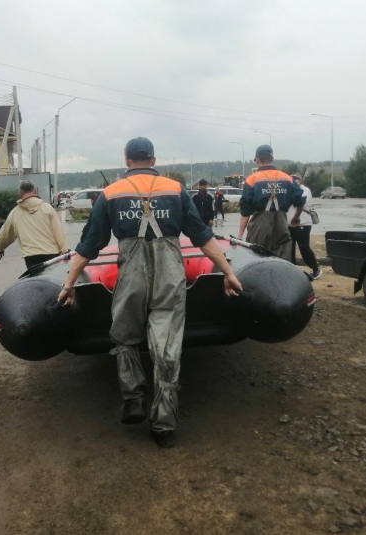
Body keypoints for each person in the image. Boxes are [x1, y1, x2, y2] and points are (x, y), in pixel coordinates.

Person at [57, 137, 242, 448]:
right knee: (167, 349)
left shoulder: (111, 193)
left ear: (127, 160)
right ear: (153, 159)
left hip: (130, 276)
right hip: (170, 276)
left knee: (124, 336)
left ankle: (133, 398)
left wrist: (68, 284)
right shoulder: (175, 190)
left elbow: (88, 246)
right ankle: (163, 425)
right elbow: (202, 237)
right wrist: (228, 272)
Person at [238, 145, 305, 260]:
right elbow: (300, 200)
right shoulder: (287, 178)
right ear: (272, 159)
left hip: (259, 225)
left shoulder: (252, 179)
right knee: (282, 258)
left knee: (256, 256)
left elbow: (245, 211)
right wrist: (296, 217)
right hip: (281, 223)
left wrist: (240, 235)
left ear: (257, 159)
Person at [0, 180, 68, 268]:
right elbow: (58, 232)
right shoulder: (47, 208)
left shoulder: (15, 213)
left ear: (20, 194)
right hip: (51, 254)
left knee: (36, 280)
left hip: (31, 256)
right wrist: (65, 251)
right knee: (50, 281)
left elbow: (6, 234)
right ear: (36, 191)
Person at [289, 174, 321, 279]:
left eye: (295, 179)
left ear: (300, 180)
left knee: (304, 247)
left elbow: (302, 201)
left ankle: (316, 269)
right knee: (289, 249)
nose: (293, 181)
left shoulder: (305, 190)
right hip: (288, 223)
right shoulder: (286, 190)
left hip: (303, 223)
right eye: (291, 179)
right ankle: (292, 270)